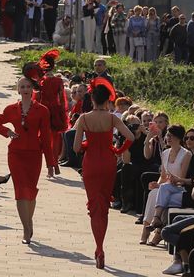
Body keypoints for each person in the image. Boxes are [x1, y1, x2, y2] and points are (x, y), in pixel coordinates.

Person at [73, 78, 134, 269]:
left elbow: (75, 147)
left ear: (92, 99)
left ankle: (98, 248)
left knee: (94, 207)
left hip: (91, 163)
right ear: (107, 101)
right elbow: (131, 137)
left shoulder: (83, 118)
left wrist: (86, 144)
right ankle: (101, 247)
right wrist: (117, 150)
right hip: (107, 162)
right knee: (104, 205)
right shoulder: (112, 118)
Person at [0, 69, 54, 244]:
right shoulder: (11, 109)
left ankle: (28, 221)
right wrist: (7, 131)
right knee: (20, 191)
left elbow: (47, 137)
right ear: (17, 90)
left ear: (33, 88)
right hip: (16, 154)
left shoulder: (42, 110)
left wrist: (51, 163)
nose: (25, 89)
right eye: (22, 86)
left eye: (27, 86)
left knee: (31, 192)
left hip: (34, 154)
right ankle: (26, 229)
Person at [36, 50, 68, 174]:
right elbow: (62, 99)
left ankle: (50, 165)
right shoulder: (58, 81)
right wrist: (62, 112)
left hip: (43, 110)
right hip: (55, 110)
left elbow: (37, 98)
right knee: (55, 139)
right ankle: (55, 163)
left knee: (44, 139)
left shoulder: (40, 81)